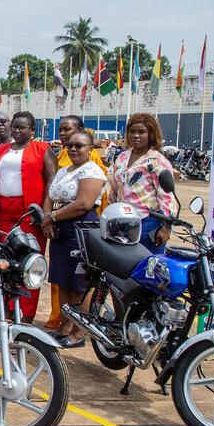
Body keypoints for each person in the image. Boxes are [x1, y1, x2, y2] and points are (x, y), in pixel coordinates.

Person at [0, 111, 56, 320]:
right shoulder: (3, 149)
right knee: (5, 263)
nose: (17, 130)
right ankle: (7, 311)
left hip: (29, 215)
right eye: (15, 126)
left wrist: (44, 211)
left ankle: (26, 315)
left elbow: (52, 180)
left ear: (32, 131)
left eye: (23, 127)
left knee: (28, 263)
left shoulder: (42, 149)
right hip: (4, 214)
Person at [42, 114, 109, 331]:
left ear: (90, 149)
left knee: (79, 284)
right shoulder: (64, 170)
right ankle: (64, 327)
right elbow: (50, 196)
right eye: (70, 145)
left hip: (81, 231)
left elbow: (83, 203)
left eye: (78, 146)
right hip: (60, 232)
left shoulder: (92, 170)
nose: (72, 149)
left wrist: (52, 217)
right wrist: (48, 220)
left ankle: (78, 331)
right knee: (62, 281)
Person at [107, 112, 176, 253]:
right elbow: (115, 182)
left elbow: (167, 197)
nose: (136, 136)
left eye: (141, 132)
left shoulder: (157, 161)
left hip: (147, 222)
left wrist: (166, 228)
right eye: (132, 131)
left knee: (147, 267)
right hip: (122, 220)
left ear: (151, 134)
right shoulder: (121, 157)